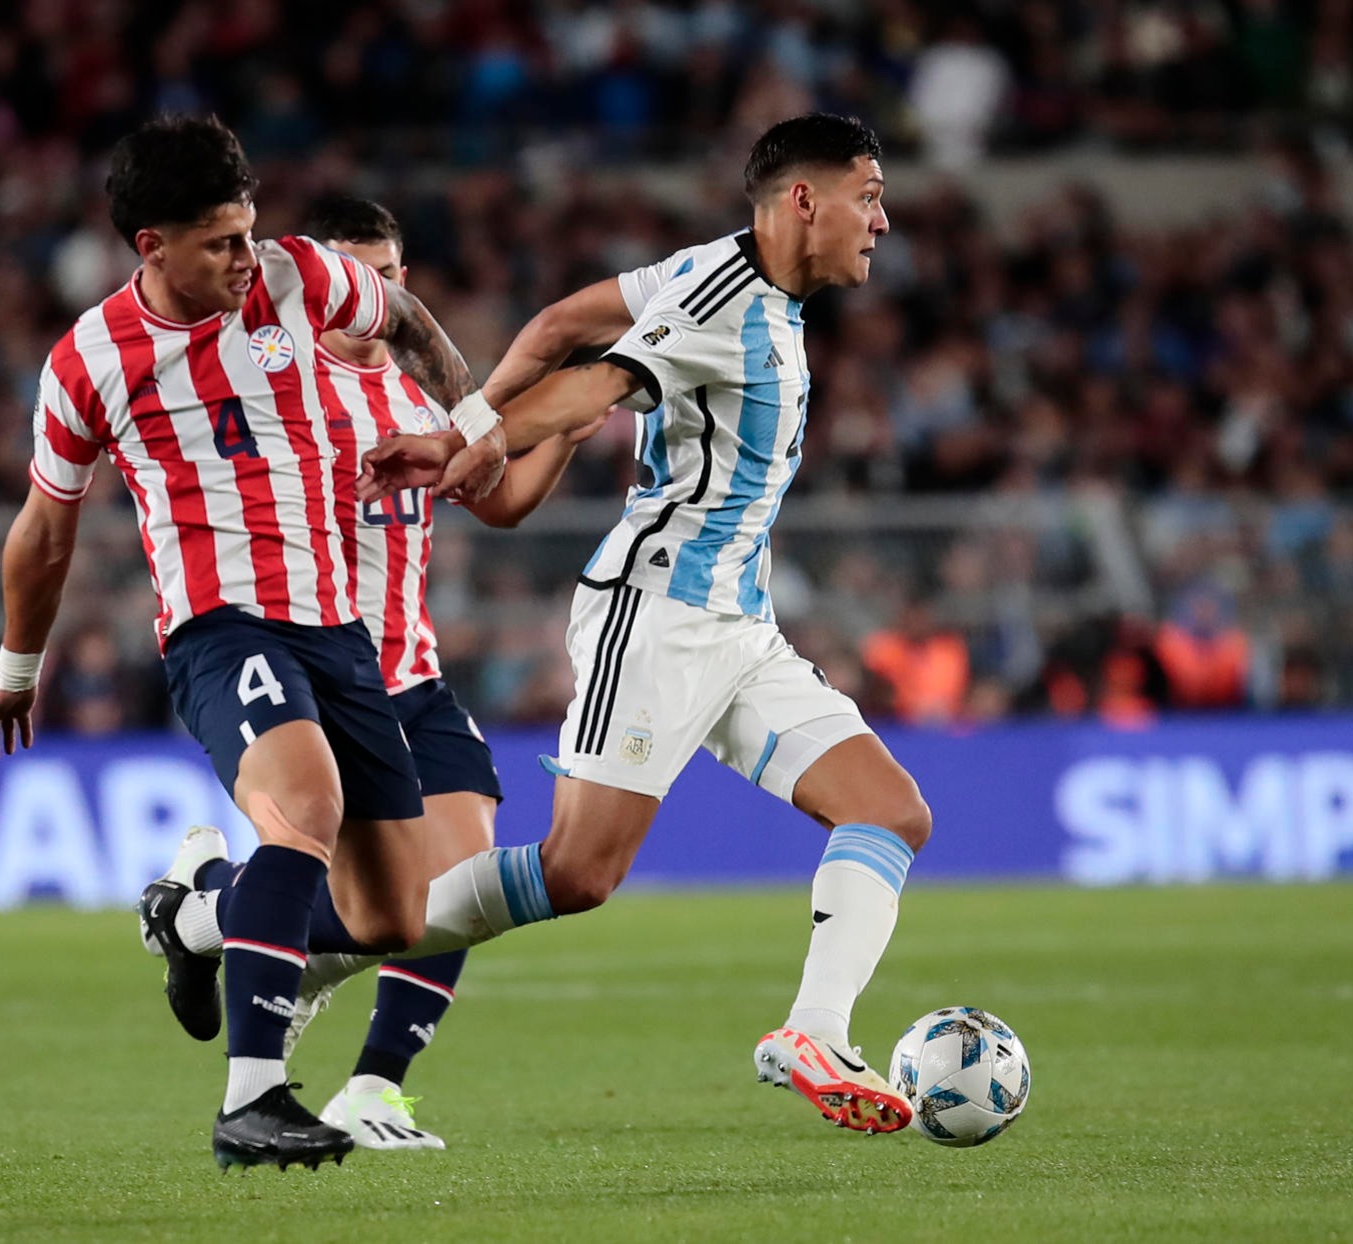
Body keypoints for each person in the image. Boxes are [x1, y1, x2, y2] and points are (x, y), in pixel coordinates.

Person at [0, 116, 503, 1172]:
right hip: (219, 624)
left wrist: (473, 418)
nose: (247, 259)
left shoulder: (298, 278)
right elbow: (45, 525)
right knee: (305, 809)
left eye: (249, 234)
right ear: (150, 245)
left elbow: (411, 317)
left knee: (393, 913)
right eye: (219, 243)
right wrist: (18, 668)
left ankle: (194, 918)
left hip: (338, 630)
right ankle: (254, 1098)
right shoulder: (89, 360)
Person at [352, 114, 928, 1136]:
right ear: (805, 200)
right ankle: (289, 937)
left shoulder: (711, 272)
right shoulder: (723, 296)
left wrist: (478, 427)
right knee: (578, 873)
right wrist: (463, 436)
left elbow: (559, 321)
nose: (880, 219)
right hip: (656, 613)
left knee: (890, 810)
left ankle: (815, 1029)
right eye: (868, 194)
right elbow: (598, 379)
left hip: (741, 626)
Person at [144, 195, 604, 1150]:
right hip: (322, 675)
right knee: (385, 900)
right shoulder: (276, 390)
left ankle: (371, 1086)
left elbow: (503, 501)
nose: (376, 295)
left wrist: (561, 422)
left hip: (415, 674)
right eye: (358, 274)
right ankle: (206, 915)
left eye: (391, 276)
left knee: (460, 886)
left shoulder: (423, 401)